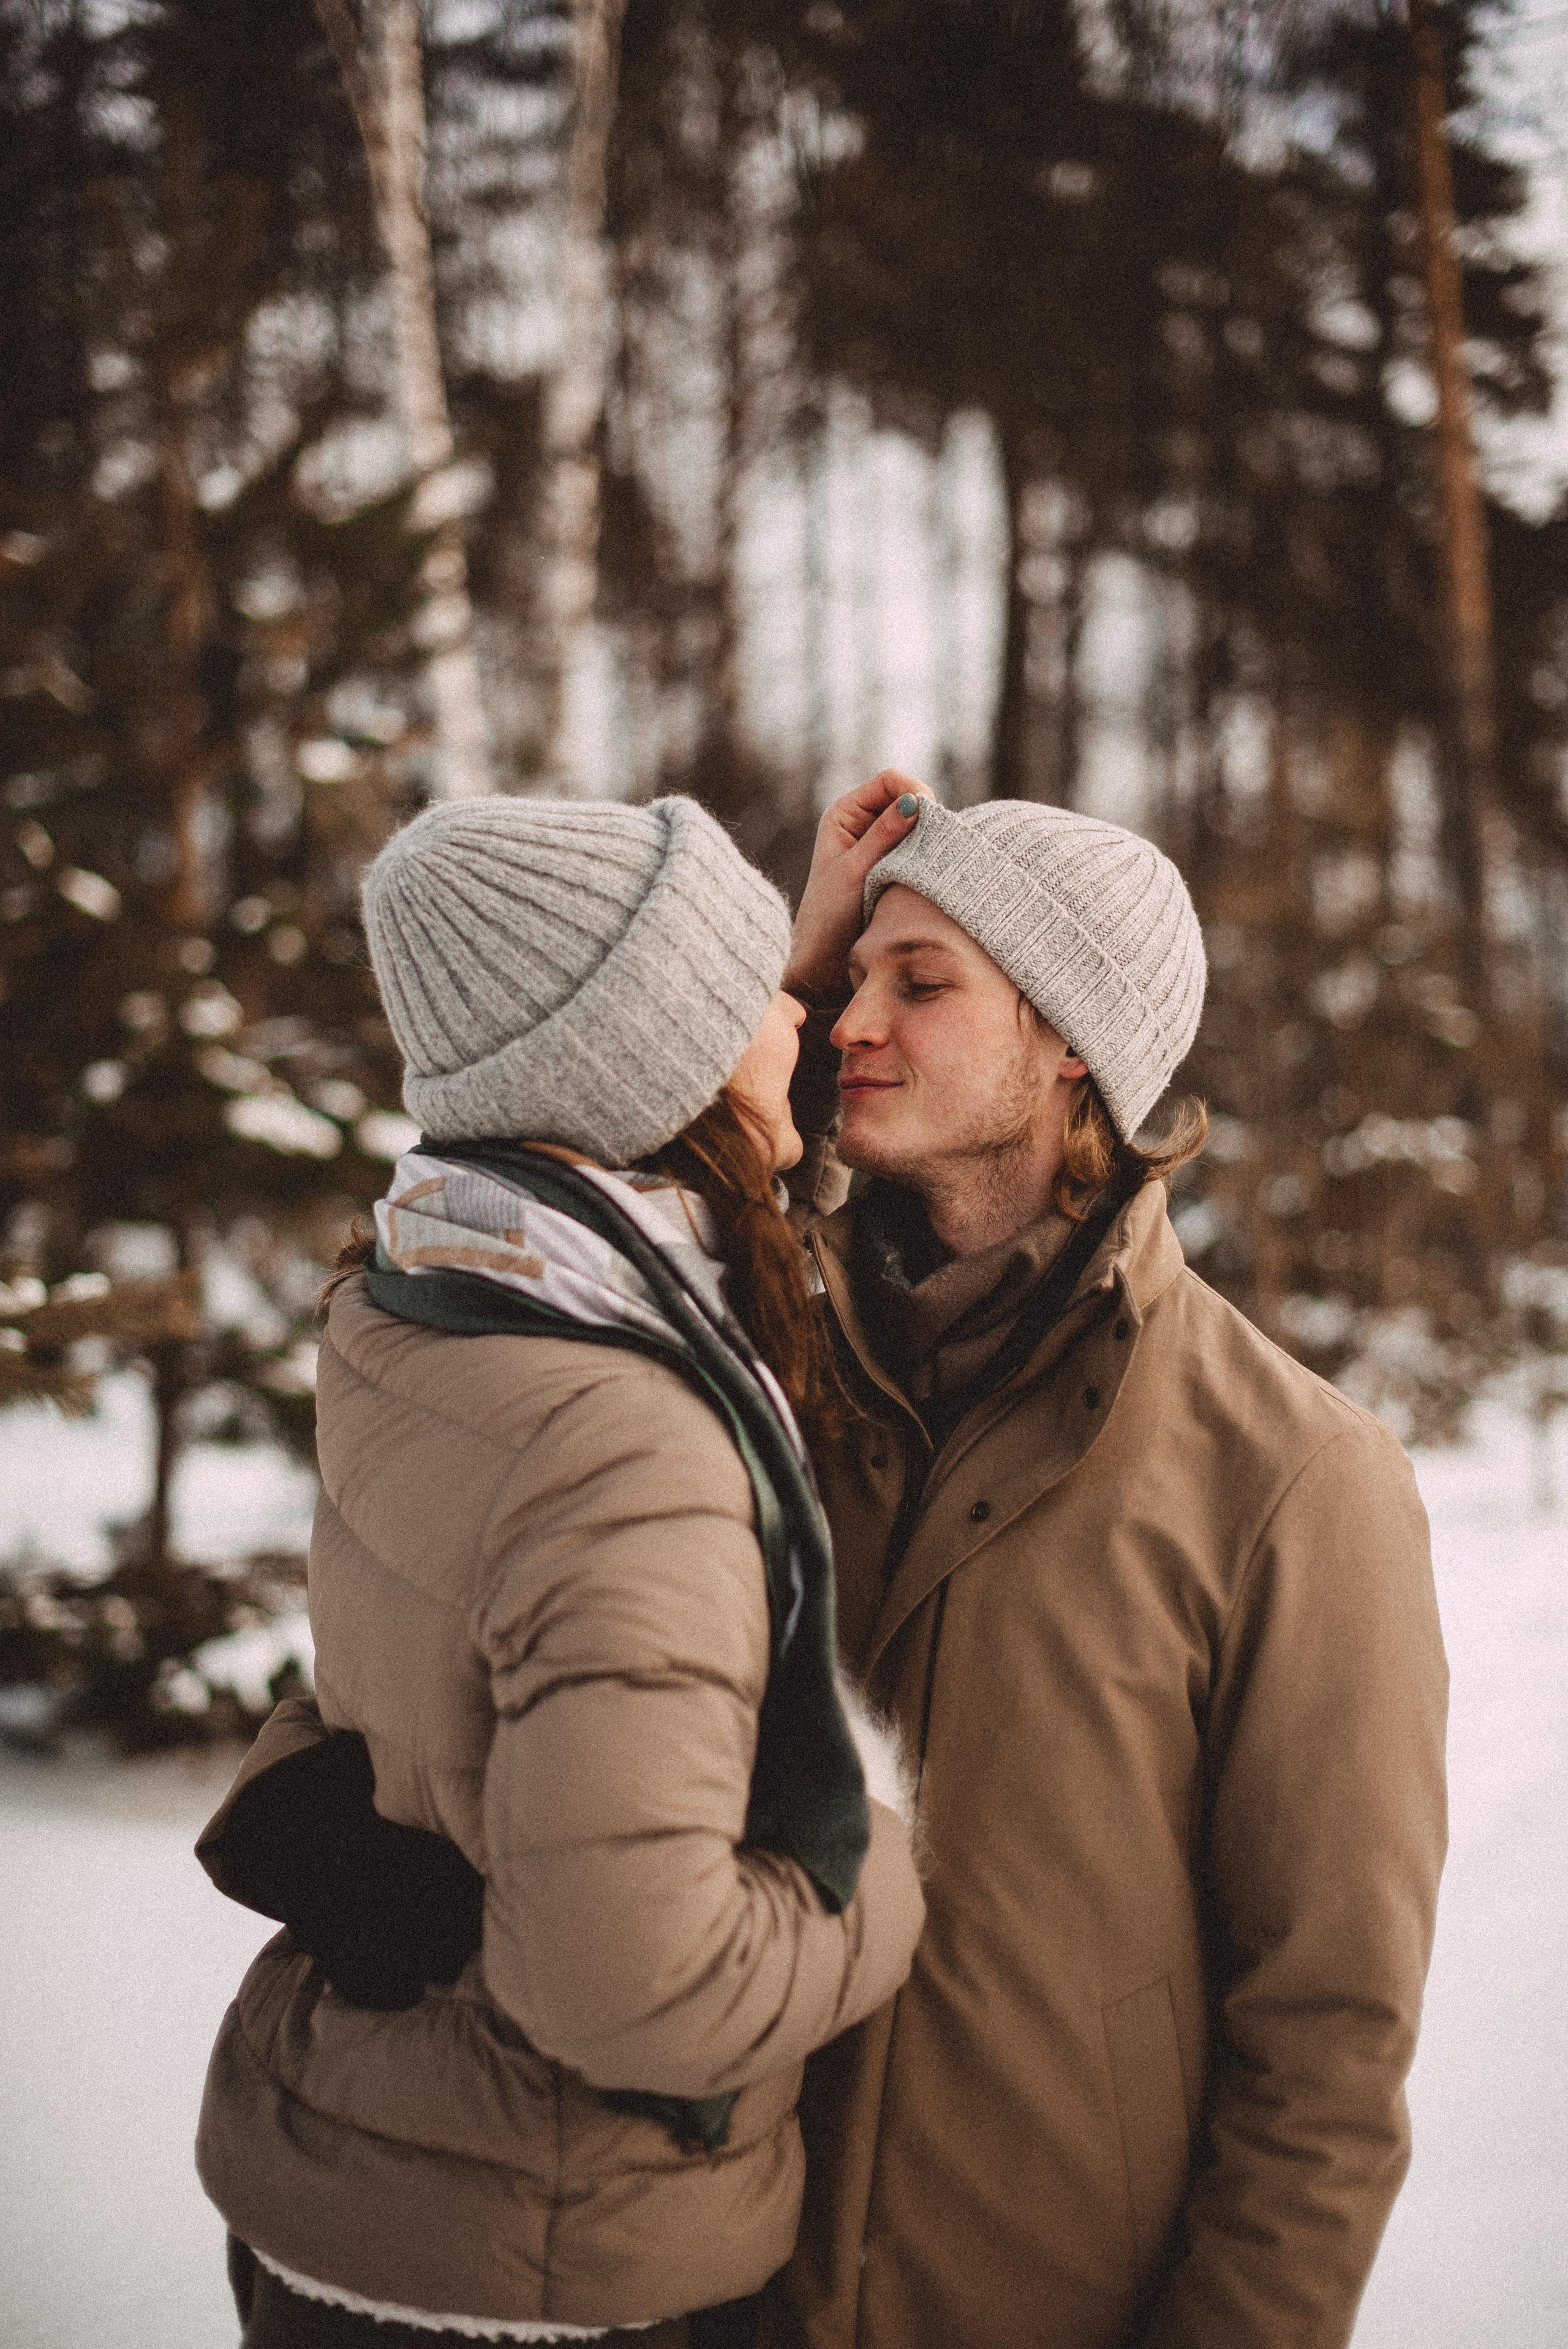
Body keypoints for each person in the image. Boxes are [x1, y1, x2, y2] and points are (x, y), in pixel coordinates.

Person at [194, 793, 925, 2349]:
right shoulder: (630, 1444)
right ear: (655, 1069)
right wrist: (890, 1882)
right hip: (546, 2255)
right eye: (755, 1002)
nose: (800, 1021)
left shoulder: (434, 1290)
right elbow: (632, 1991)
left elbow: (677, 1220)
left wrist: (760, 966)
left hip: (367, 2189)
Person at [756, 774, 1449, 2349]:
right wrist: (782, 986)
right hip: (706, 2294)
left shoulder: (1291, 1479)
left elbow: (1326, 2048)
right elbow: (528, 1257)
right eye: (849, 982)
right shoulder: (760, 1366)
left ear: (1069, 1038)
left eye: (915, 982)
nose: (852, 1020)